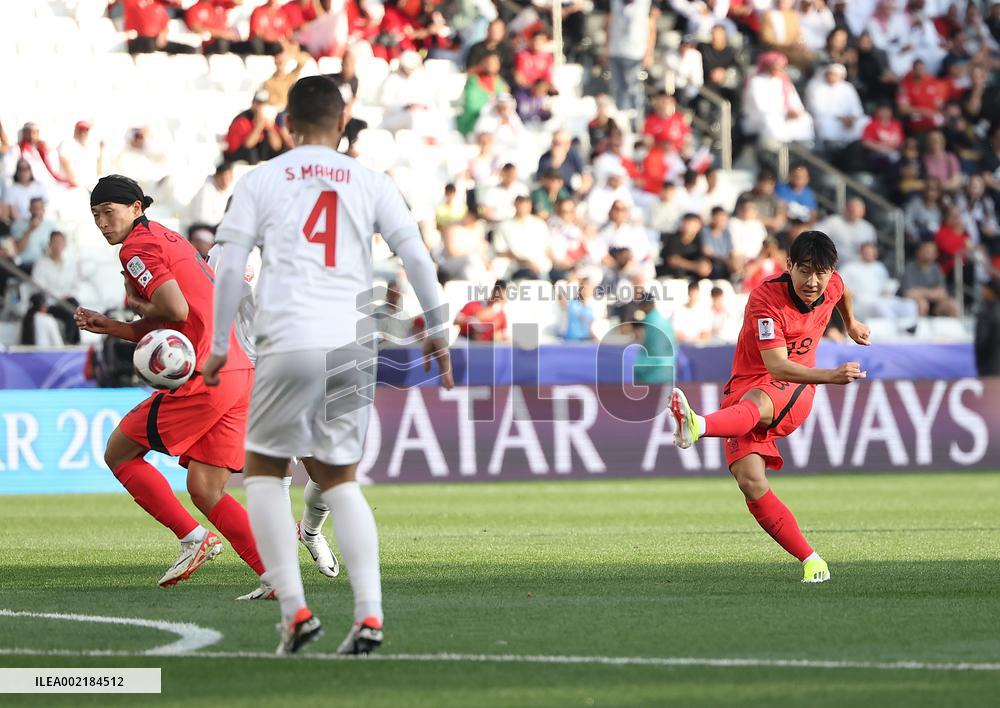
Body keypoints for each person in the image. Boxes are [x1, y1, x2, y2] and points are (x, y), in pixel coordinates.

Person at [203, 76, 452, 655]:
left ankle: (295, 613)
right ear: (342, 125)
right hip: (350, 346)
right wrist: (438, 330)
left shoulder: (260, 179)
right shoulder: (372, 181)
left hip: (285, 340)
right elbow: (415, 254)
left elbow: (231, 260)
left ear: (288, 126)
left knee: (264, 473)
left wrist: (219, 343)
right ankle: (369, 616)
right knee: (341, 480)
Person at [74, 175, 266, 598]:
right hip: (236, 370)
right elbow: (186, 312)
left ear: (136, 209)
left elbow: (174, 309)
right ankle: (275, 575)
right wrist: (116, 327)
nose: (103, 223)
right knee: (206, 489)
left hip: (204, 379)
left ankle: (192, 538)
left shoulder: (136, 248)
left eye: (109, 212)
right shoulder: (168, 237)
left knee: (119, 453)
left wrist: (136, 305)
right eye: (95, 216)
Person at [670, 230, 870, 583]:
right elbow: (775, 364)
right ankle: (812, 561)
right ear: (789, 265)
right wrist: (832, 375)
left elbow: (842, 293)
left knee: (759, 399)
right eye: (804, 271)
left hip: (795, 387)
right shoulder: (766, 299)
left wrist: (850, 323)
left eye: (821, 272)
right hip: (752, 385)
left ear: (831, 270)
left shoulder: (832, 283)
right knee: (750, 481)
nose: (813, 281)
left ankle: (698, 426)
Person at [840, 242, 919, 333]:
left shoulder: (879, 267)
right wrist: (849, 295)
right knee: (880, 306)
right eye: (867, 252)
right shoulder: (850, 268)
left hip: (880, 298)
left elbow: (885, 285)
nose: (870, 254)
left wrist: (888, 288)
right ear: (860, 252)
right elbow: (840, 285)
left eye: (872, 252)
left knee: (909, 303)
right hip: (861, 302)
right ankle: (899, 329)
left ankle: (911, 326)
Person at [605, 0, 659, 123]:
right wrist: (606, 46)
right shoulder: (615, 2)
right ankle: (618, 123)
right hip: (615, 51)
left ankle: (636, 123)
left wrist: (649, 52)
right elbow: (608, 21)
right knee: (616, 89)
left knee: (633, 88)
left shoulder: (644, 3)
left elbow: (651, 27)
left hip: (635, 53)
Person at [31, 231, 81, 344]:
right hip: (49, 304)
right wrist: (58, 297)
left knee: (73, 306)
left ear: (64, 244)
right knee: (72, 310)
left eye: (60, 242)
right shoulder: (41, 264)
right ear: (50, 244)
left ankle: (72, 341)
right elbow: (38, 287)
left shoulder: (70, 264)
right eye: (55, 242)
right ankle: (71, 341)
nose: (58, 245)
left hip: (66, 302)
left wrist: (66, 296)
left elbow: (75, 286)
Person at [224, 91, 286, 165]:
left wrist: (269, 128)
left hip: (260, 159)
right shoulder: (242, 121)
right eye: (258, 103)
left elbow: (277, 146)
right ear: (253, 103)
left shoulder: (266, 120)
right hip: (237, 158)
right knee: (251, 152)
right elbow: (247, 145)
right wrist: (258, 128)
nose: (260, 107)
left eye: (263, 104)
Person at [901, 241, 959, 317]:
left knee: (953, 305)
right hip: (916, 303)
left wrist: (921, 291)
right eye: (926, 250)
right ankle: (920, 327)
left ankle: (951, 328)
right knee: (922, 304)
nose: (929, 253)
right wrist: (932, 293)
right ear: (918, 252)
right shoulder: (909, 268)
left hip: (935, 303)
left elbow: (942, 293)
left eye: (932, 251)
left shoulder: (936, 268)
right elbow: (909, 293)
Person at [457, 52, 509, 137]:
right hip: (474, 124)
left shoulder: (501, 84)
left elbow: (506, 106)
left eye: (494, 63)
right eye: (488, 62)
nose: (490, 65)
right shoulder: (473, 80)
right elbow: (471, 105)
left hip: (496, 128)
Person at [632, 294, 675, 385]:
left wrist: (639, 367)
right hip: (664, 373)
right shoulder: (659, 320)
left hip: (655, 376)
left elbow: (657, 354)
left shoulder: (653, 323)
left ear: (645, 306)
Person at [185, 162, 235, 232]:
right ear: (216, 176)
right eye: (224, 178)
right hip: (199, 229)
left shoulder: (227, 191)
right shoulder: (206, 190)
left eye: (229, 179)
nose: (226, 182)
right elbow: (202, 218)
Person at [58, 121, 104, 190]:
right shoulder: (67, 144)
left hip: (90, 187)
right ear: (75, 130)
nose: (83, 133)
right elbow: (65, 163)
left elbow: (98, 169)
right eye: (80, 130)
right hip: (74, 189)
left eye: (85, 130)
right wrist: (76, 185)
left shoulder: (91, 146)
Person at [975, 279, 1000, 376]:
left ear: (992, 292)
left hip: (989, 363)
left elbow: (981, 341)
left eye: (985, 288)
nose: (982, 290)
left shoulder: (986, 312)